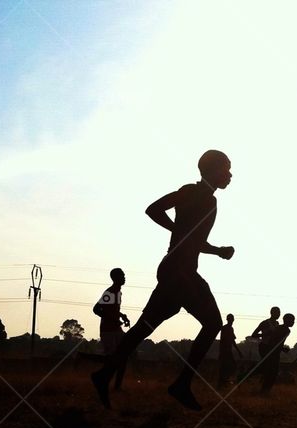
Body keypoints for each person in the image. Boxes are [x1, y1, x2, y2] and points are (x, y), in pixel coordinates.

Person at [91, 150, 234, 410]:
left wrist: (214, 249)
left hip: (176, 270)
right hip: (179, 271)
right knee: (212, 323)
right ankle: (181, 385)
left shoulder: (204, 198)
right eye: (226, 169)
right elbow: (156, 212)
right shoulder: (196, 194)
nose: (230, 175)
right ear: (212, 171)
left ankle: (103, 375)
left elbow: (188, 235)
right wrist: (188, 235)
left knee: (144, 327)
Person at [91, 268, 132, 390]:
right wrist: (112, 319)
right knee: (111, 359)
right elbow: (96, 309)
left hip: (116, 329)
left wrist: (121, 316)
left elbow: (113, 310)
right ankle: (84, 358)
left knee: (123, 356)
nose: (124, 277)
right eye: (122, 276)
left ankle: (117, 387)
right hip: (108, 330)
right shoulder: (110, 292)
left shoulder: (118, 292)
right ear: (115, 278)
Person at [260, 313, 295, 395]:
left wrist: (282, 348)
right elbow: (275, 341)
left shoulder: (282, 328)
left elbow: (277, 342)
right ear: (287, 320)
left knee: (271, 372)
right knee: (272, 372)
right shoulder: (284, 330)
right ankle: (265, 390)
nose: (293, 322)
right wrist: (280, 348)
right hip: (272, 353)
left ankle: (265, 390)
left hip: (274, 352)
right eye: (292, 320)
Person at [218, 313, 242, 388]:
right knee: (229, 366)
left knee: (229, 366)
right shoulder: (225, 328)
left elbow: (232, 341)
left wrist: (238, 351)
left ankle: (224, 381)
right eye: (231, 319)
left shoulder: (230, 328)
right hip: (225, 350)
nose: (231, 320)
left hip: (227, 350)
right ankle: (224, 381)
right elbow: (224, 340)